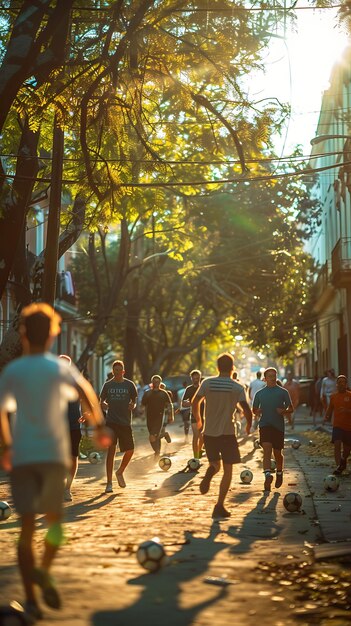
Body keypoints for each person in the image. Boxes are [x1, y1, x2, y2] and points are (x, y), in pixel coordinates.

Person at [0, 303, 110, 622]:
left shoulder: (14, 371)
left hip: (22, 457)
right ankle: (44, 572)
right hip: (52, 456)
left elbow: (3, 413)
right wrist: (99, 426)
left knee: (24, 529)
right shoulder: (59, 368)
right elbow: (86, 391)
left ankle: (31, 600)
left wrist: (6, 446)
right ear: (53, 334)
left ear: (22, 333)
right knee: (55, 525)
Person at [191, 352, 252, 519]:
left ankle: (210, 471)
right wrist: (249, 424)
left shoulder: (207, 383)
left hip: (209, 432)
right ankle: (219, 505)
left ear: (217, 367)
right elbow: (246, 408)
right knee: (227, 470)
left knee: (215, 464)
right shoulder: (237, 387)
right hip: (227, 433)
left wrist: (199, 419)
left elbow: (195, 401)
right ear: (232, 367)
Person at [252, 367, 293, 492]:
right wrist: (257, 411)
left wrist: (284, 412)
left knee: (277, 454)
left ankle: (279, 473)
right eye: (270, 376)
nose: (273, 378)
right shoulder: (259, 394)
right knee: (267, 450)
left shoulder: (283, 392)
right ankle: (267, 475)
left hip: (278, 426)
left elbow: (291, 408)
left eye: (274, 375)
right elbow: (254, 410)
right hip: (265, 425)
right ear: (265, 378)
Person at [100, 360, 137, 492]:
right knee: (111, 451)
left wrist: (133, 405)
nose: (117, 372)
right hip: (111, 422)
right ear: (113, 371)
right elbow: (101, 400)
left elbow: (134, 400)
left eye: (119, 370)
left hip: (125, 422)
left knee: (130, 450)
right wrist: (103, 404)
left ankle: (120, 471)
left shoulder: (129, 385)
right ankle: (109, 483)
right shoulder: (108, 385)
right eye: (115, 370)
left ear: (123, 371)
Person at [58, 355, 85, 502]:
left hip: (74, 426)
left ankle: (67, 489)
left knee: (73, 457)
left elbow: (87, 400)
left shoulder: (76, 382)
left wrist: (86, 413)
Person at [324, 374, 351, 475]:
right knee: (337, 444)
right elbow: (330, 408)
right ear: (336, 384)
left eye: (343, 382)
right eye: (339, 382)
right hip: (337, 426)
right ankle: (338, 466)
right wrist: (326, 416)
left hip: (349, 427)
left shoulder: (350, 395)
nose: (341, 384)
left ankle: (343, 461)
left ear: (346, 384)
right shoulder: (333, 397)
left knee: (347, 450)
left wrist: (347, 410)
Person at [142, 375, 174, 458]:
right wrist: (141, 414)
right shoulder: (147, 393)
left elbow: (170, 405)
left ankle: (157, 452)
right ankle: (158, 451)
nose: (156, 383)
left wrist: (171, 416)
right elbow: (143, 405)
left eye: (157, 381)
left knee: (152, 437)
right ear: (151, 383)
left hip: (159, 417)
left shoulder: (163, 393)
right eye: (154, 381)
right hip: (149, 418)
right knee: (154, 437)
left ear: (160, 382)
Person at [181, 370, 204, 459]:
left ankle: (200, 449)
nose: (196, 379)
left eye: (197, 378)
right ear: (191, 379)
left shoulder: (203, 387)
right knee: (196, 435)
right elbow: (183, 403)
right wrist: (193, 403)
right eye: (194, 378)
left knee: (203, 436)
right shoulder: (189, 389)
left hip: (204, 415)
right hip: (194, 415)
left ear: (200, 377)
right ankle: (196, 458)